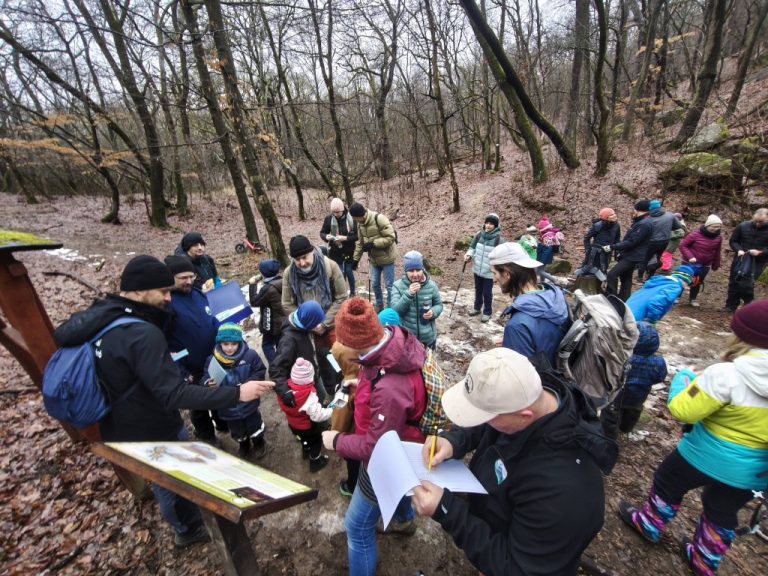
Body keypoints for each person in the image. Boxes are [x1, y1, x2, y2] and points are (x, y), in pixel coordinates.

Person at [52, 255, 274, 547]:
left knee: (169, 479)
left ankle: (188, 519)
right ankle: (187, 530)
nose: (169, 298)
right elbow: (173, 394)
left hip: (117, 422)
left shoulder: (103, 317)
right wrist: (237, 393)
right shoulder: (141, 334)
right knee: (168, 484)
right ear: (139, 289)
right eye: (163, 291)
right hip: (150, 426)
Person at [411, 348, 617, 576]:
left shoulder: (563, 493)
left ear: (524, 416)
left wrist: (447, 509)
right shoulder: (530, 392)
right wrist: (453, 440)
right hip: (497, 521)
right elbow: (487, 421)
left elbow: (516, 567)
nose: (483, 421)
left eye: (486, 417)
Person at [618, 300, 768, 576]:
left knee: (667, 482)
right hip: (752, 471)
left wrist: (683, 381)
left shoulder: (726, 374)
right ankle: (704, 559)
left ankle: (649, 524)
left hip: (702, 455)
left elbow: (683, 411)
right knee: (722, 511)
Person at [321, 297, 427, 576]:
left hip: (385, 461)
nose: (339, 346)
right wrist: (362, 382)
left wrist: (336, 440)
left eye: (342, 342)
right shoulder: (389, 343)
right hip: (402, 443)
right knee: (400, 484)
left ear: (355, 345)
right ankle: (403, 520)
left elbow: (377, 447)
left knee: (356, 527)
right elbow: (380, 376)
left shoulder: (390, 387)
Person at [164, 255, 227, 444]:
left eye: (191, 276)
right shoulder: (166, 304)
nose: (189, 281)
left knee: (217, 392)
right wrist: (182, 371)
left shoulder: (198, 294)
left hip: (213, 360)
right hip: (191, 368)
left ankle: (222, 422)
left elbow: (212, 318)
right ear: (170, 277)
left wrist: (223, 333)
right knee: (199, 405)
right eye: (183, 278)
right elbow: (164, 344)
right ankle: (206, 435)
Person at [282, 235, 348, 394]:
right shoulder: (289, 273)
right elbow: (286, 303)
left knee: (338, 357)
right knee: (318, 360)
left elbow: (342, 297)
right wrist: (308, 324)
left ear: (312, 251)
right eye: (297, 259)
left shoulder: (330, 267)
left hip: (332, 324)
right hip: (307, 329)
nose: (302, 263)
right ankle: (328, 390)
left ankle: (344, 385)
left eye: (304, 257)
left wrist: (324, 323)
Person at [488, 242, 570, 366]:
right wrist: (516, 341)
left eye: (494, 273)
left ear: (507, 274)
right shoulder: (556, 297)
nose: (494, 279)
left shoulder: (518, 326)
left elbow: (519, 374)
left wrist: (515, 339)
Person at [201, 323, 268, 458]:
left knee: (254, 426)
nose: (230, 347)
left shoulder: (250, 356)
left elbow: (260, 371)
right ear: (219, 343)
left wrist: (249, 384)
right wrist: (208, 383)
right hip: (227, 407)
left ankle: (259, 443)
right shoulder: (212, 360)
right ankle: (243, 444)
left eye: (234, 344)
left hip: (249, 404)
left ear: (239, 342)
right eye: (225, 344)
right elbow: (205, 377)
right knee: (237, 430)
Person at [599, 322, 668, 439]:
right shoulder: (659, 362)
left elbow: (608, 372)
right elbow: (660, 377)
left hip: (617, 395)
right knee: (633, 413)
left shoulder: (621, 357)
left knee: (610, 416)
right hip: (639, 396)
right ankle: (625, 429)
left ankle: (608, 437)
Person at [276, 357, 332, 472]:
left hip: (293, 424)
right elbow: (317, 415)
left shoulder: (285, 390)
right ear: (310, 378)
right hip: (307, 427)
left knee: (303, 439)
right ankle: (315, 461)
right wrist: (332, 410)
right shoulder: (308, 396)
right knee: (315, 442)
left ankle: (306, 449)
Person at [270, 300, 329, 404]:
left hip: (314, 375)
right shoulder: (288, 340)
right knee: (313, 407)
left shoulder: (302, 325)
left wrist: (321, 352)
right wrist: (284, 391)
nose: (318, 325)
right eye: (316, 323)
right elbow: (276, 368)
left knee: (322, 397)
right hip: (302, 384)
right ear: (309, 322)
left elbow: (306, 347)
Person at [349, 202, 397, 311]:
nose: (355, 220)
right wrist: (355, 259)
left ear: (361, 214)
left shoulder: (379, 219)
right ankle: (379, 305)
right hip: (374, 260)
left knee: (389, 285)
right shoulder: (360, 224)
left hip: (387, 258)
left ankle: (390, 308)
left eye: (356, 218)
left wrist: (373, 244)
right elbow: (360, 243)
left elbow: (391, 237)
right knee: (375, 284)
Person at [391, 250, 443, 349]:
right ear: (406, 271)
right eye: (411, 271)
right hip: (407, 338)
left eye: (418, 270)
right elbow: (395, 311)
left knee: (428, 359)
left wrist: (433, 312)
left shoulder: (431, 285)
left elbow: (439, 305)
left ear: (423, 269)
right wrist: (408, 294)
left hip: (428, 337)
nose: (415, 274)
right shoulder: (397, 286)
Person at [604, 199, 655, 301]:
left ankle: (611, 298)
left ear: (639, 210)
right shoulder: (641, 221)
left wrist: (612, 247)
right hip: (632, 254)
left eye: (635, 209)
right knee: (626, 278)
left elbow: (632, 241)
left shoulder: (644, 224)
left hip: (632, 256)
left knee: (612, 275)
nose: (633, 211)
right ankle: (623, 300)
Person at [723, 208, 768, 312]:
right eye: (756, 221)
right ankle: (730, 306)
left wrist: (760, 252)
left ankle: (749, 306)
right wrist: (738, 250)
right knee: (734, 281)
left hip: (758, 260)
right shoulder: (743, 226)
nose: (758, 224)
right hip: (741, 257)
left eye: (761, 222)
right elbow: (733, 241)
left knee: (747, 283)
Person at [464, 213, 505, 322]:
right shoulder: (479, 235)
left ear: (496, 225)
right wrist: (469, 255)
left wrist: (498, 272)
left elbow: (502, 257)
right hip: (477, 269)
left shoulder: (499, 239)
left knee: (487, 293)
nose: (488, 225)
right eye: (487, 223)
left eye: (491, 223)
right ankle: (477, 308)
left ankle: (487, 312)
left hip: (489, 272)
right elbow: (472, 248)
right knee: (478, 290)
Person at [248, 258, 287, 363]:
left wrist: (252, 285)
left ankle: (276, 366)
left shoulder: (268, 288)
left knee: (267, 346)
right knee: (279, 344)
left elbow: (255, 302)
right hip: (284, 321)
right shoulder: (282, 281)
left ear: (263, 273)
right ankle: (283, 363)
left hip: (272, 324)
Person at [626, 265, 695, 324]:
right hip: (636, 318)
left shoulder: (659, 281)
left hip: (627, 309)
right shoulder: (675, 287)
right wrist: (651, 320)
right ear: (686, 280)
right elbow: (656, 303)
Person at [679, 215, 723, 307]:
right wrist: (690, 257)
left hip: (705, 264)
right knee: (684, 279)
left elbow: (717, 251)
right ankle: (676, 297)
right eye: (714, 226)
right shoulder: (695, 234)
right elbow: (683, 245)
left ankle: (692, 299)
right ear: (708, 225)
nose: (716, 229)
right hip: (690, 263)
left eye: (718, 227)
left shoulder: (718, 237)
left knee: (698, 281)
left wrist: (716, 264)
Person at [320, 197, 358, 294]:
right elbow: (322, 232)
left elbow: (357, 236)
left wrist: (345, 238)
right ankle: (342, 292)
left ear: (342, 209)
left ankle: (353, 291)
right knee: (339, 272)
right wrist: (326, 236)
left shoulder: (351, 218)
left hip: (348, 249)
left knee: (348, 271)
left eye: (338, 212)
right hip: (335, 250)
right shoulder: (329, 219)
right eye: (334, 212)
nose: (336, 214)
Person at [642, 199, 683, 279]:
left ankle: (640, 276)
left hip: (651, 241)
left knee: (646, 258)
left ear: (650, 208)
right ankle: (650, 275)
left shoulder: (648, 218)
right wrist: (668, 229)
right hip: (665, 241)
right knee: (657, 257)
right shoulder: (670, 215)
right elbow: (678, 226)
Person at [580, 207, 621, 279]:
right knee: (588, 269)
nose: (614, 217)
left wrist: (616, 252)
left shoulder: (616, 226)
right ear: (606, 217)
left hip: (607, 252)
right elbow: (587, 238)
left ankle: (599, 284)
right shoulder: (597, 226)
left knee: (603, 271)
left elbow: (617, 239)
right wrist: (588, 250)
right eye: (611, 216)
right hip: (595, 252)